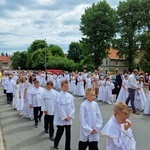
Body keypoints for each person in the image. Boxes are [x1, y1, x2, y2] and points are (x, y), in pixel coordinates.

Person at [54, 80, 75, 150]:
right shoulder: (58, 96)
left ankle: (67, 147)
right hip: (61, 118)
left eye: (67, 86)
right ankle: (56, 143)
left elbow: (72, 107)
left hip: (68, 118)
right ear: (62, 87)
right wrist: (64, 116)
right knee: (60, 132)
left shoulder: (70, 96)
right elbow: (58, 107)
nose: (66, 88)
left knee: (68, 134)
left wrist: (70, 115)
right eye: (65, 86)